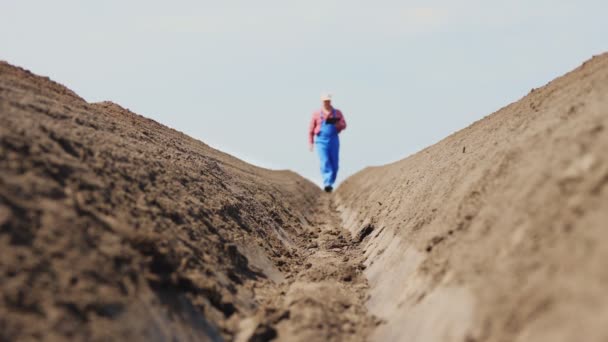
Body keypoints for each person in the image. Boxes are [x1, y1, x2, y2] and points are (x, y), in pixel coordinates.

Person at [308, 93, 347, 192]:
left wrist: (337, 123)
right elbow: (311, 128)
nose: (327, 102)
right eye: (325, 101)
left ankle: (331, 181)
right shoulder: (316, 113)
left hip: (333, 139)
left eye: (328, 101)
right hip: (321, 140)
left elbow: (344, 125)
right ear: (322, 101)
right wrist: (311, 142)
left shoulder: (337, 113)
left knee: (334, 163)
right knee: (325, 161)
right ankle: (327, 183)